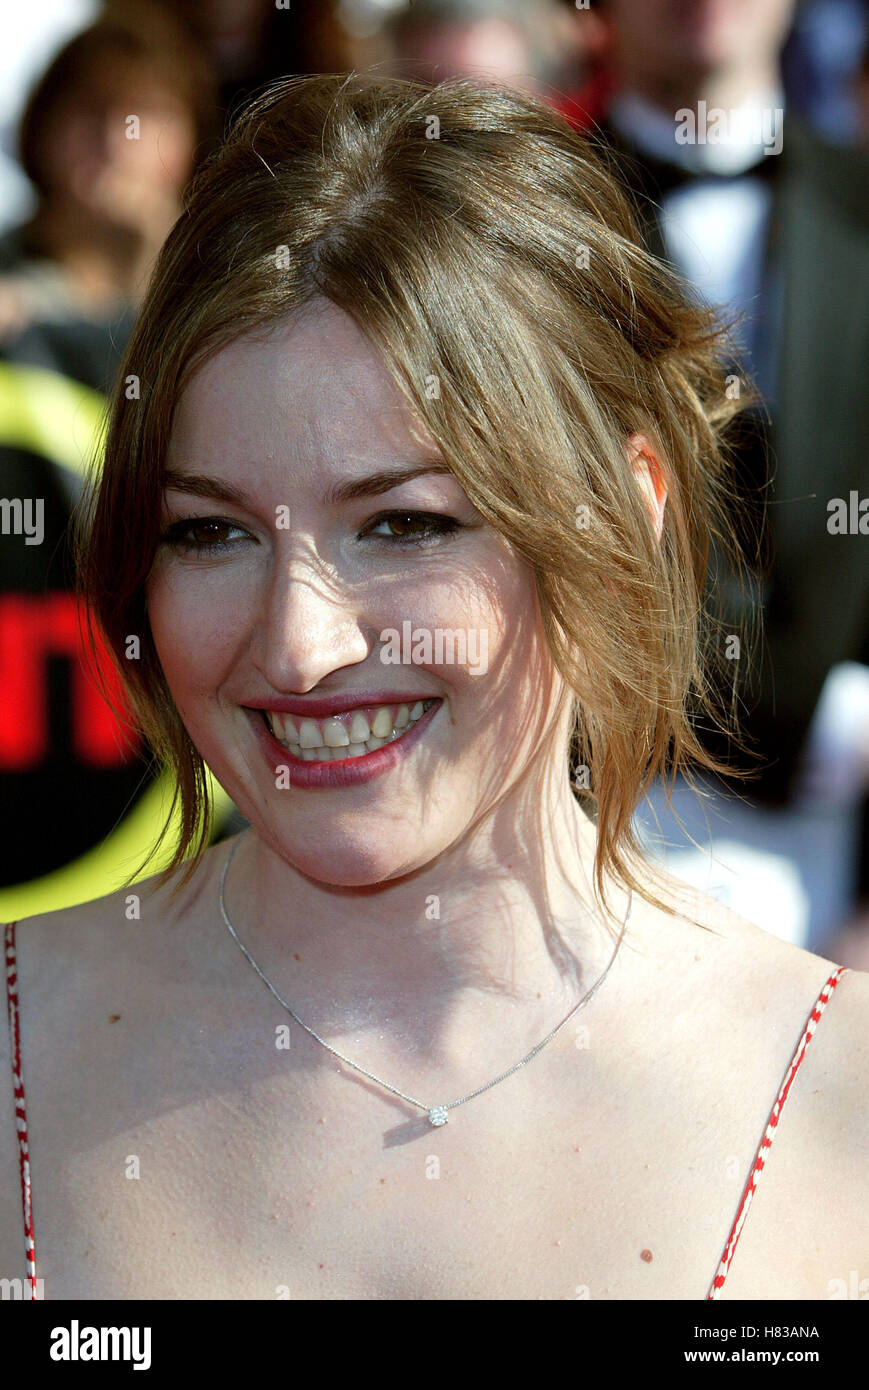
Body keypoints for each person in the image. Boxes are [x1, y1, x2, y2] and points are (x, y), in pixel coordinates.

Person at [1, 73, 866, 1301]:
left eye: (404, 525)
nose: (298, 647)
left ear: (625, 508)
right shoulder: (17, 1059)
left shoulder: (834, 1105)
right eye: (210, 533)